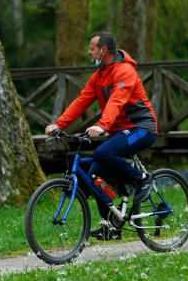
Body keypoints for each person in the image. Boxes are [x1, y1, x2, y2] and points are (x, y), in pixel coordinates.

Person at [45, 31, 158, 240]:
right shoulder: (99, 76)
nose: (89, 52)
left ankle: (143, 179)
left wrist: (102, 126)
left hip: (142, 129)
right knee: (94, 175)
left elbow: (118, 100)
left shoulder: (125, 71)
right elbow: (82, 101)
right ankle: (111, 226)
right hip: (120, 131)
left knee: (103, 152)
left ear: (103, 50)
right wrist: (58, 125)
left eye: (92, 48)